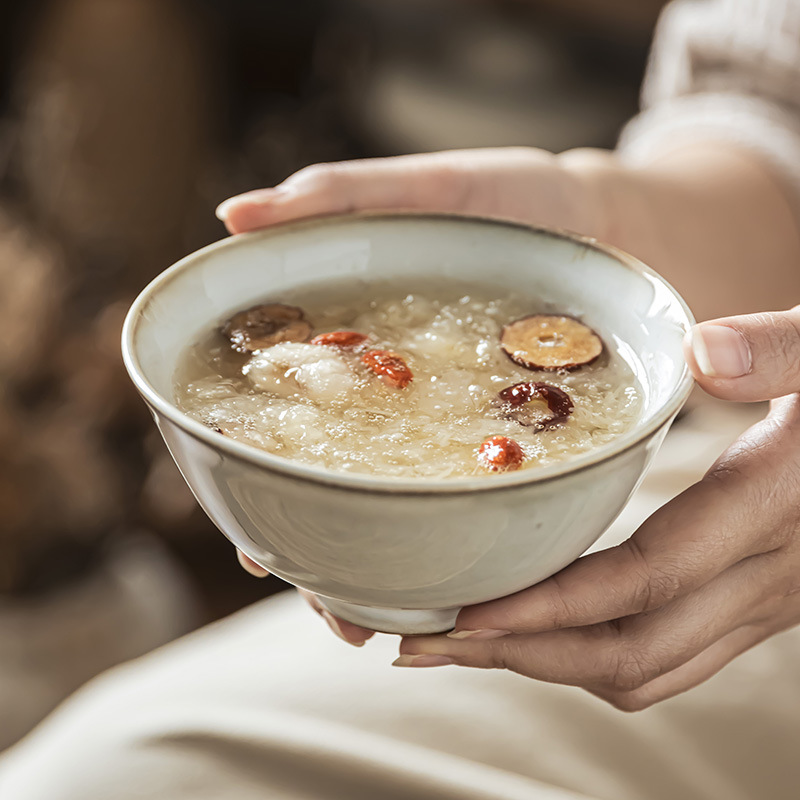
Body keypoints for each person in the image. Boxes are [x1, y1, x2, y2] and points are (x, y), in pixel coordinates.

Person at [2, 0, 800, 798]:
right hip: (755, 485)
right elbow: (774, 117)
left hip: (743, 515)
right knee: (109, 777)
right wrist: (605, 213)